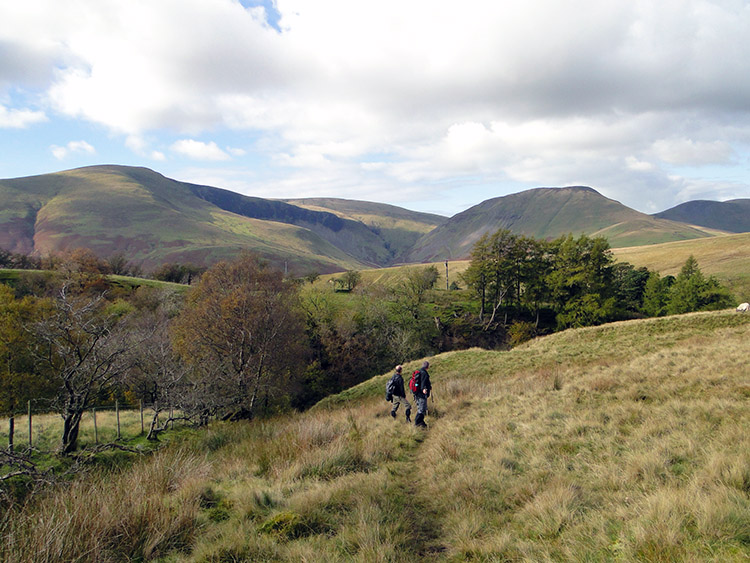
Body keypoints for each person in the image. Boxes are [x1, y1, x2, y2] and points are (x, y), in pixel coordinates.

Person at [411, 360, 432, 428]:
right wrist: (424, 389)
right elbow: (423, 382)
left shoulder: (419, 372)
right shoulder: (424, 373)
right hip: (421, 394)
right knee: (422, 409)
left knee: (421, 408)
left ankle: (421, 422)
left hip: (417, 394)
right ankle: (417, 423)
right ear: (427, 367)